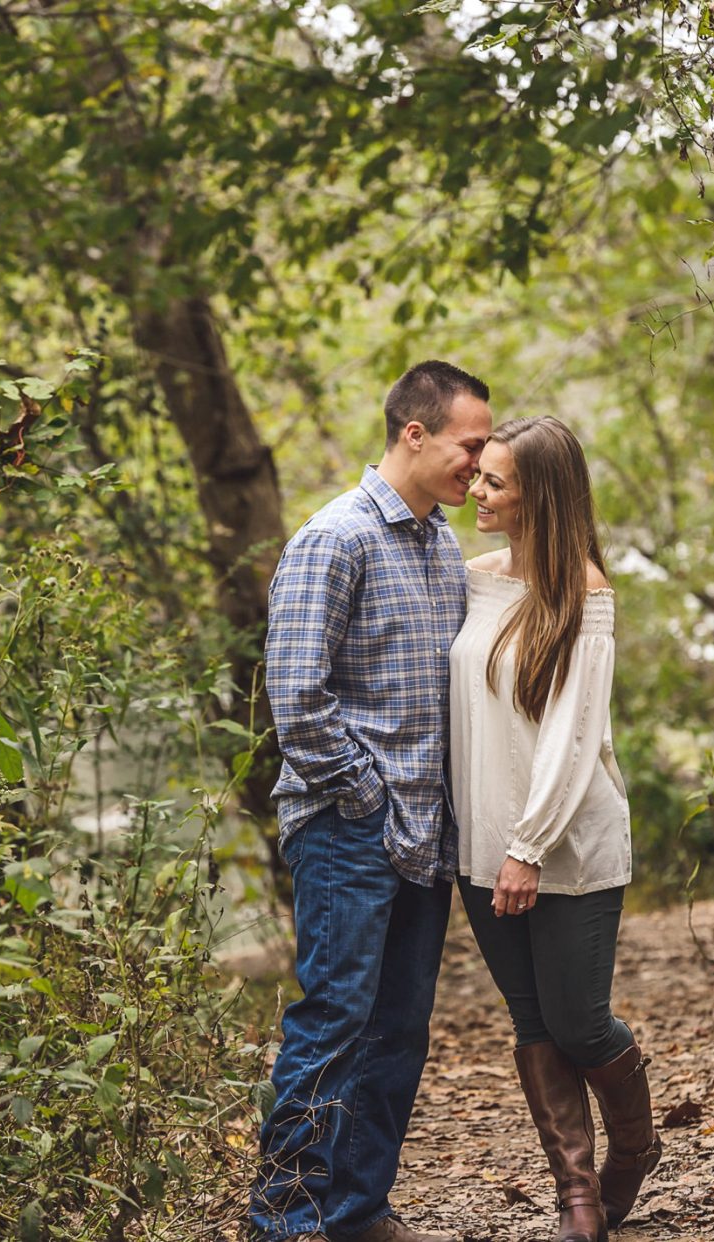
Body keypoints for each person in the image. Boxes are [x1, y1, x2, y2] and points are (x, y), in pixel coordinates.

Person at [249, 361, 493, 1242]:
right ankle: (283, 1223)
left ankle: (355, 1212)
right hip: (350, 830)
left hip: (423, 836)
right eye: (471, 444)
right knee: (333, 1025)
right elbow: (297, 699)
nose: (481, 460)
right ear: (415, 434)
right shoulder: (335, 538)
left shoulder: (438, 545)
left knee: (398, 1033)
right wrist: (368, 802)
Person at [451, 417, 661, 1242]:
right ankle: (577, 1198)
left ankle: (634, 1147)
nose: (477, 490)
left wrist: (528, 846)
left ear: (540, 496)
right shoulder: (470, 580)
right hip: (480, 847)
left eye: (495, 482)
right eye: (479, 477)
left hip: (564, 847)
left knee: (579, 1020)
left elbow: (575, 737)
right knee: (533, 1023)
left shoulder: (584, 592)